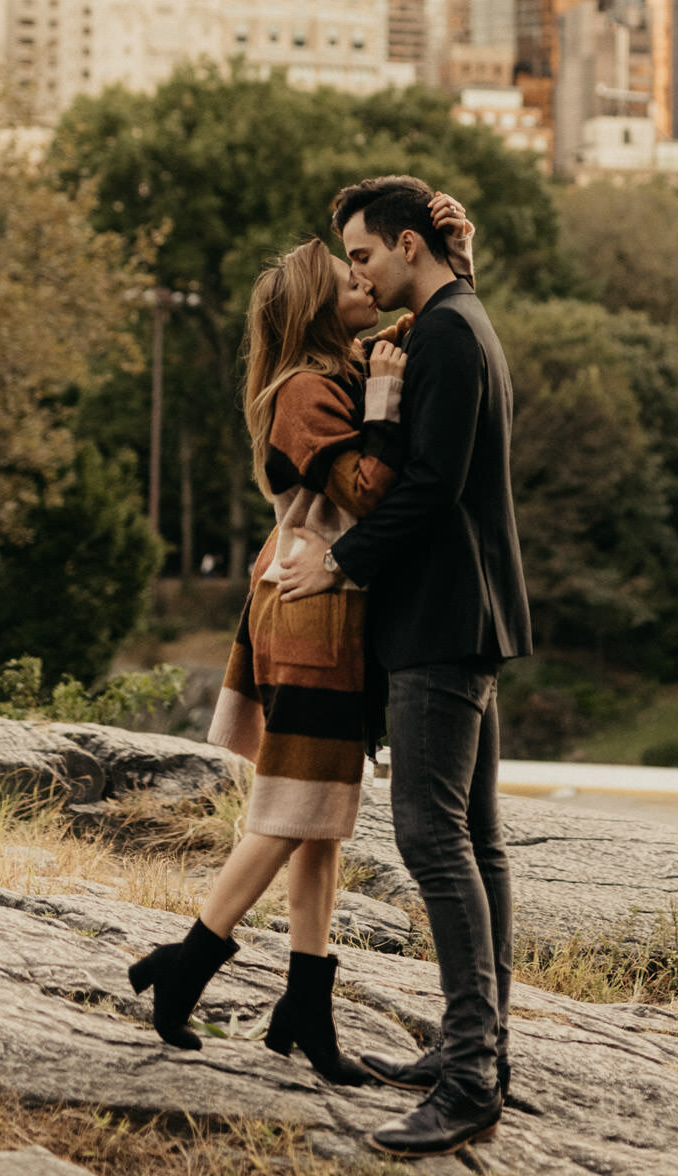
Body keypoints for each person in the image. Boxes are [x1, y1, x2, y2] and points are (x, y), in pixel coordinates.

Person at [127, 197, 470, 1075]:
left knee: (323, 821)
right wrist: (388, 398)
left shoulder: (349, 363)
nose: (364, 277)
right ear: (320, 307)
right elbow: (365, 490)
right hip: (309, 606)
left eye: (366, 263)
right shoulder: (306, 391)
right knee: (289, 811)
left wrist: (458, 255)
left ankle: (308, 1006)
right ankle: (189, 961)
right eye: (346, 273)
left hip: (331, 607)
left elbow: (432, 308)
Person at [281, 175, 531, 1160]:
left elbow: (429, 487)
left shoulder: (445, 335)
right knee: (477, 842)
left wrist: (338, 564)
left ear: (408, 248)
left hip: (440, 619)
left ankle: (470, 1077)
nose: (359, 272)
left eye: (365, 255)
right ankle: (478, 1052)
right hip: (465, 614)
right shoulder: (457, 323)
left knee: (434, 841)